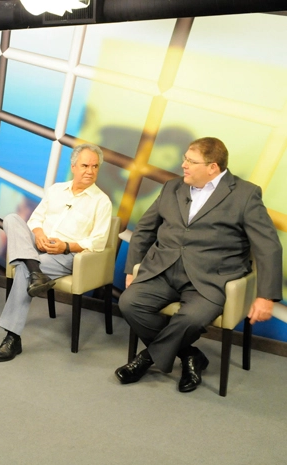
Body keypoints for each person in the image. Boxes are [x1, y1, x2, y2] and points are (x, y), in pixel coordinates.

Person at [115, 137, 283, 392]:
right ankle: (190, 355)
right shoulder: (172, 187)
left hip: (210, 278)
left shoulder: (245, 194)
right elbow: (144, 230)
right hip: (162, 270)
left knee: (191, 319)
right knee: (129, 303)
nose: (183, 165)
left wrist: (266, 297)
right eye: (185, 159)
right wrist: (132, 268)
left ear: (213, 167)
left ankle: (146, 359)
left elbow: (268, 246)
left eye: (191, 162)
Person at [0, 144, 112, 362]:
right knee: (11, 219)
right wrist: (38, 234)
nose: (90, 171)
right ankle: (36, 270)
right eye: (85, 165)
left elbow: (98, 241)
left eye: (95, 167)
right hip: (38, 245)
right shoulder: (56, 189)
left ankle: (12, 337)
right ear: (74, 166)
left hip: (66, 255)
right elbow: (35, 219)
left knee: (22, 269)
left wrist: (65, 246)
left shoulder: (101, 202)